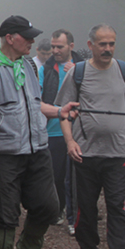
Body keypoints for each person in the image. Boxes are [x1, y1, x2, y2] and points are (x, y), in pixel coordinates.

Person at [0, 15, 79, 249]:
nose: (32, 41)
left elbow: (33, 104)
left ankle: (28, 248)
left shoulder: (30, 65)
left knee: (49, 206)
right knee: (5, 213)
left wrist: (59, 111)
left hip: (37, 149)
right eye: (27, 36)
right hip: (3, 153)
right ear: (10, 38)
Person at [56, 24, 125, 249]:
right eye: (102, 44)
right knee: (86, 205)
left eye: (111, 44)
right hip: (86, 152)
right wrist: (70, 142)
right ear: (90, 45)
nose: (107, 49)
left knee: (118, 204)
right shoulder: (78, 73)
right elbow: (64, 112)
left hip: (119, 153)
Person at [41, 29, 83, 233]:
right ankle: (57, 210)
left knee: (76, 177)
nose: (55, 51)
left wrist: (77, 71)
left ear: (71, 46)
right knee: (55, 175)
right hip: (53, 130)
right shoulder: (46, 69)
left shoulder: (82, 68)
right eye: (53, 47)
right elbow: (38, 97)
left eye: (60, 47)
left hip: (79, 131)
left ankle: (74, 217)